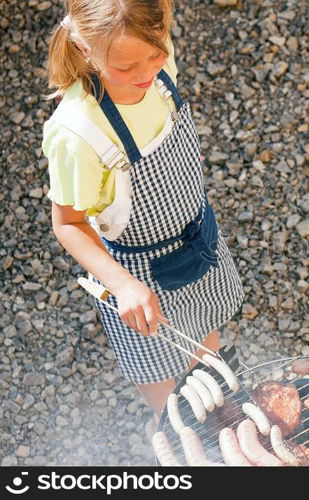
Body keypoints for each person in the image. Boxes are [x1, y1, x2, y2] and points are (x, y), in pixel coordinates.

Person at [42, 0, 244, 428]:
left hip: (196, 236)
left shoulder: (157, 60)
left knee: (203, 329)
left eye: (154, 55)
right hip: (136, 267)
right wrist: (123, 285)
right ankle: (170, 425)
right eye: (125, 67)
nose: (145, 74)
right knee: (158, 370)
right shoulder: (78, 132)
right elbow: (69, 224)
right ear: (83, 48)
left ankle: (214, 401)